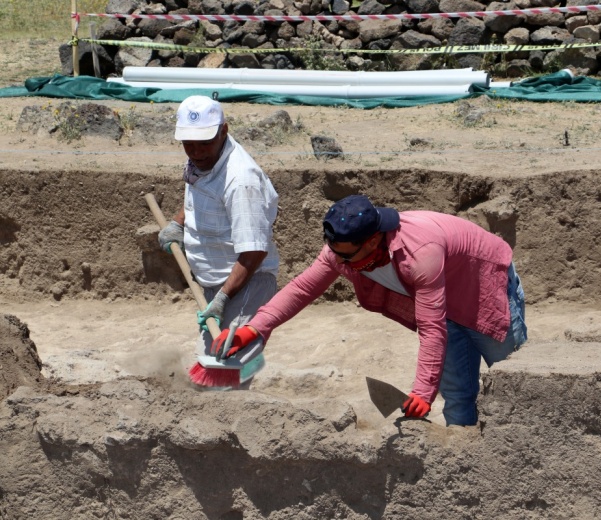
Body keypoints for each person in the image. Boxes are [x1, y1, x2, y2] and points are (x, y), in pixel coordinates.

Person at [212, 194, 527, 425]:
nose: (343, 264)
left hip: (486, 289)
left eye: (350, 257)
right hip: (444, 309)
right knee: (457, 397)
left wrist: (421, 391)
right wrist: (256, 328)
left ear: (375, 239)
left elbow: (432, 329)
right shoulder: (342, 250)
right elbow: (303, 288)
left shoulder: (420, 252)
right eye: (338, 256)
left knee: (514, 384)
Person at [157, 95, 280, 388]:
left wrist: (223, 298)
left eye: (204, 143)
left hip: (245, 282)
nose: (196, 152)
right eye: (189, 144)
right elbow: (199, 192)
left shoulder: (241, 180)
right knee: (222, 360)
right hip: (217, 282)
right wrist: (178, 223)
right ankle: (249, 374)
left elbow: (254, 251)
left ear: (223, 131)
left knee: (223, 367)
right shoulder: (203, 159)